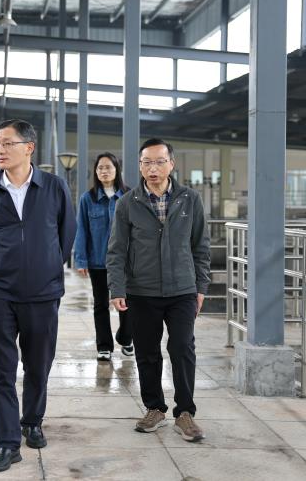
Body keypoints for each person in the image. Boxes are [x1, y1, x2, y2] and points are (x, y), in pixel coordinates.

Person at [0, 119, 75, 472]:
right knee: (2, 369)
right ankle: (7, 442)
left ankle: (32, 421)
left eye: (7, 143)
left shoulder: (54, 187)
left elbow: (66, 235)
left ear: (29, 147)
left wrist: (46, 266)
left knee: (38, 364)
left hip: (43, 293)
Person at [107, 138, 210, 443]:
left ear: (171, 164)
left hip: (182, 289)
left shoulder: (190, 199)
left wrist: (201, 287)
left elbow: (200, 247)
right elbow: (117, 250)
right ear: (139, 166)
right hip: (142, 290)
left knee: (182, 348)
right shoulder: (128, 203)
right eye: (147, 162)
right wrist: (117, 288)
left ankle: (185, 412)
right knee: (147, 352)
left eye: (159, 162)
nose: (153, 168)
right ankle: (154, 408)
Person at [73, 152, 133, 362]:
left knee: (128, 302)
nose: (104, 171)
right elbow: (82, 230)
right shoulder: (87, 199)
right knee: (100, 304)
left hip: (125, 262)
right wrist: (81, 259)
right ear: (96, 172)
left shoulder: (129, 196)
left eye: (108, 167)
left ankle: (126, 338)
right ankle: (104, 346)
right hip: (98, 261)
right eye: (100, 168)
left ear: (117, 170)